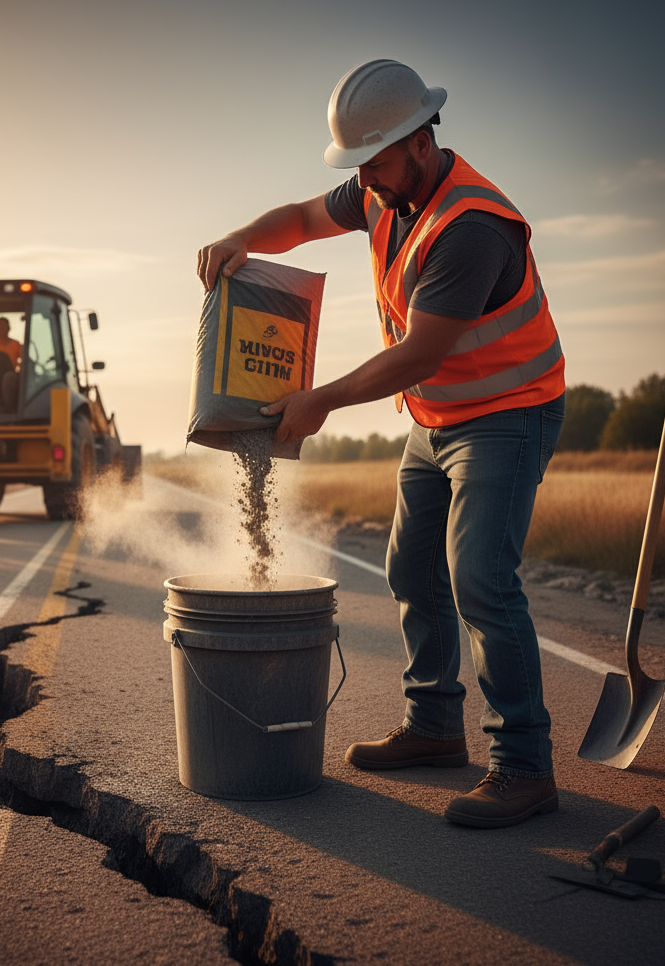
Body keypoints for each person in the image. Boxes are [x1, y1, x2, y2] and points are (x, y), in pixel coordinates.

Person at [197, 59, 565, 829]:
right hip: (436, 420)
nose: (364, 178)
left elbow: (419, 354)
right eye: (358, 165)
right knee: (410, 569)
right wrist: (238, 237)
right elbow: (300, 219)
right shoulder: (381, 189)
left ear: (420, 143)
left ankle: (524, 766)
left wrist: (321, 399)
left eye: (376, 161)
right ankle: (434, 729)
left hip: (506, 414)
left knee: (481, 579)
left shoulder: (472, 228)